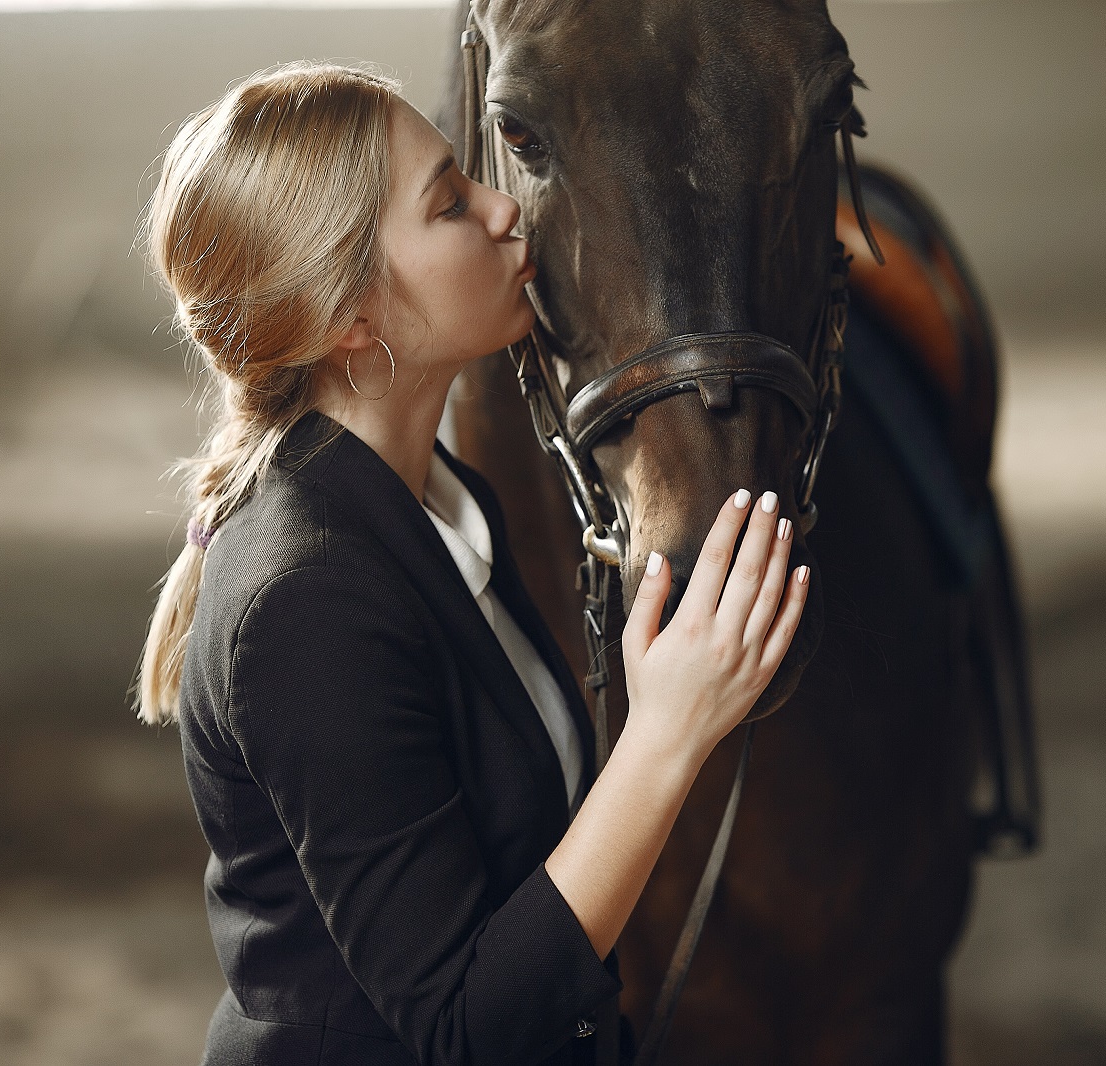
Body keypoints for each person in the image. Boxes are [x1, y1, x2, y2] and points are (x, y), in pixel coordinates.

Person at [135, 62, 809, 1066]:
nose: (504, 210)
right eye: (450, 203)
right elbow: (464, 1028)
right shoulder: (307, 601)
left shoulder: (442, 499)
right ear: (350, 319)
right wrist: (666, 734)